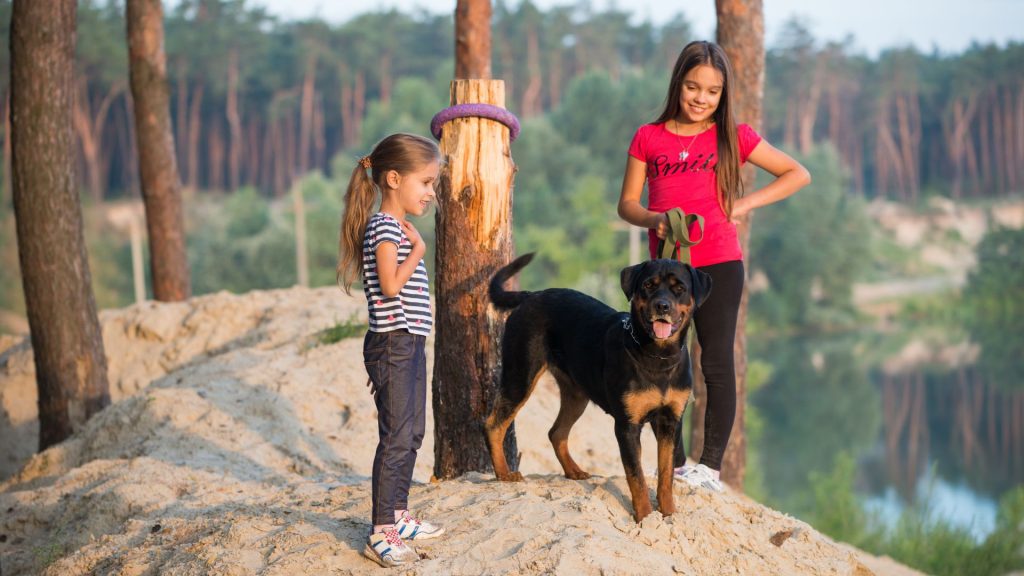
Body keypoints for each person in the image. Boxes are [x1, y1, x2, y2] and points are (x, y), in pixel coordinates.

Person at [617, 40, 811, 492]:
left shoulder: (735, 136)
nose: (701, 98)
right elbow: (627, 204)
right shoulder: (649, 136)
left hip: (720, 264)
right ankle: (678, 461)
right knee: (661, 361)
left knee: (716, 363)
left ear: (723, 94)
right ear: (678, 84)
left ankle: (709, 467)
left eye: (712, 91)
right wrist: (654, 219)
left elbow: (797, 173)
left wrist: (741, 205)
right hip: (666, 273)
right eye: (692, 87)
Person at [337, 133, 446, 567]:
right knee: (397, 436)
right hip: (393, 343)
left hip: (407, 342)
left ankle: (398, 515)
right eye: (426, 182)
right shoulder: (384, 227)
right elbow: (389, 285)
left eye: (433, 184)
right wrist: (418, 248)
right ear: (394, 179)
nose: (430, 192)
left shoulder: (391, 226)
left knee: (412, 431)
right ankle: (381, 529)